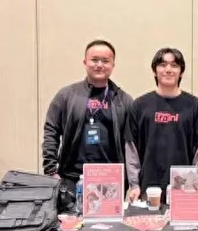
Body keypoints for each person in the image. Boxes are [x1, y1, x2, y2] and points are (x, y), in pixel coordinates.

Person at [42, 40, 133, 201]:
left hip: (110, 180)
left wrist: (132, 181)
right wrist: (51, 170)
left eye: (105, 61)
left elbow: (132, 144)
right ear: (85, 62)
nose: (99, 65)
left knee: (109, 218)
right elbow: (51, 131)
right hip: (72, 178)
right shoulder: (66, 95)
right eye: (94, 60)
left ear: (113, 65)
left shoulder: (124, 100)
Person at [126, 48, 198, 204]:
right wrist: (134, 185)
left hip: (184, 189)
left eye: (174, 65)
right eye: (163, 65)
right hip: (148, 189)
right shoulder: (139, 105)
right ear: (154, 70)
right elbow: (131, 149)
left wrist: (195, 184)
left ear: (181, 72)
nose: (168, 70)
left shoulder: (195, 106)